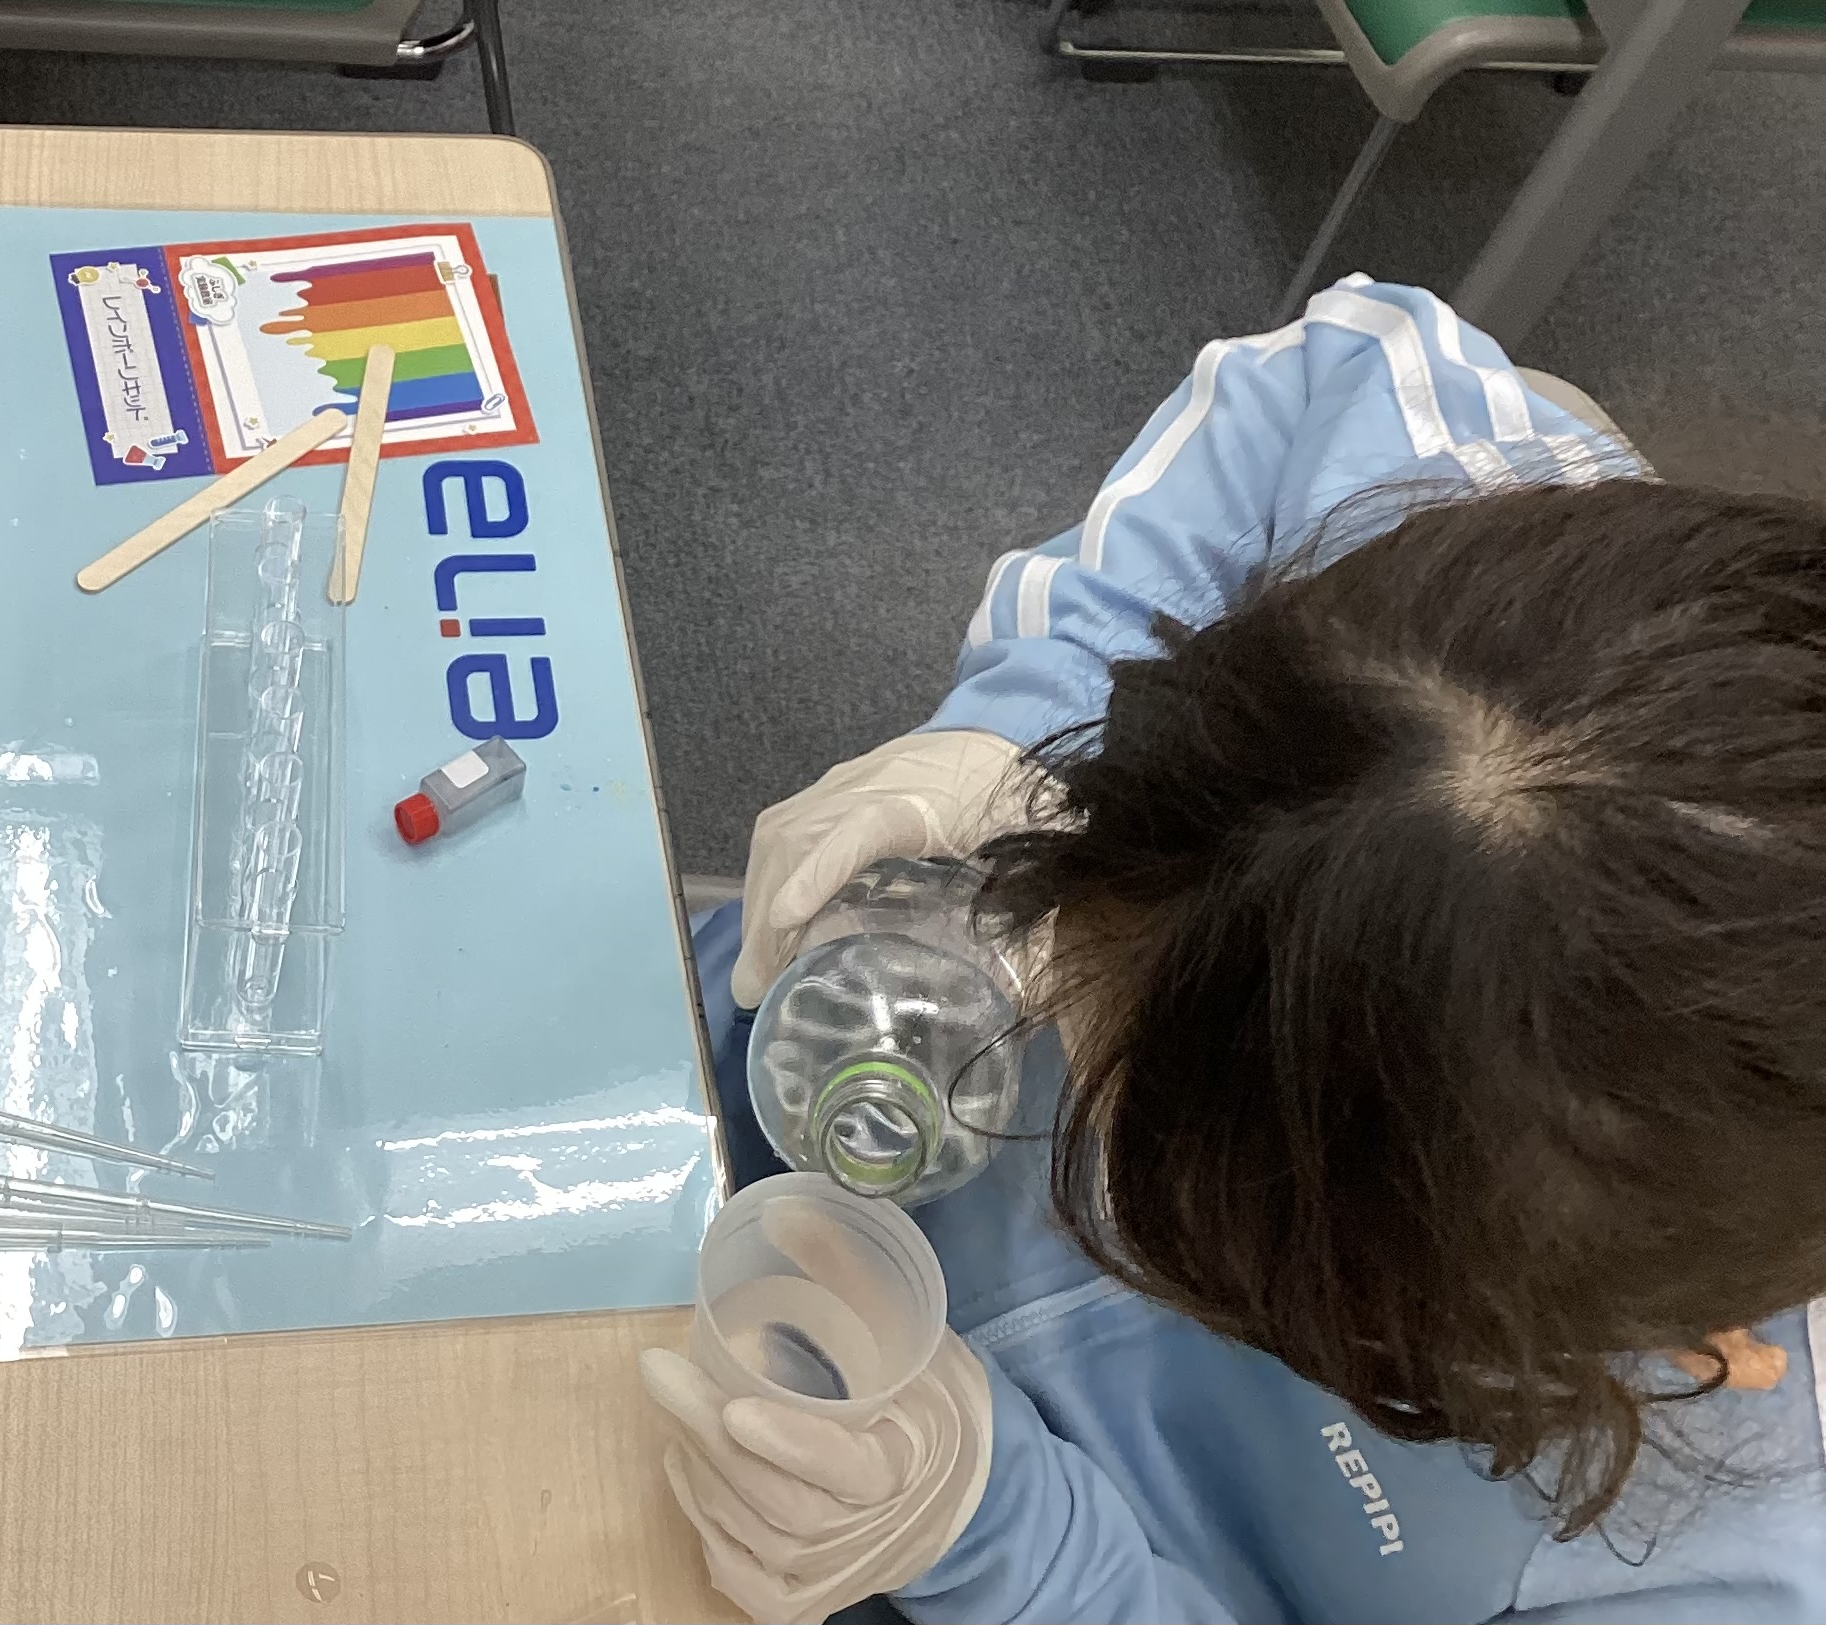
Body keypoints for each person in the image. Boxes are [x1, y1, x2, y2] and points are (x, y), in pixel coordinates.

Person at [654, 277, 1826, 1624]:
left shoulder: (1731, 1569)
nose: (1036, 1045)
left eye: (1150, 1180)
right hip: (680, 1084)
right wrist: (1023, 736)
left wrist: (997, 1534)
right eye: (1088, 934)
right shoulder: (1544, 623)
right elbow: (1333, 364)